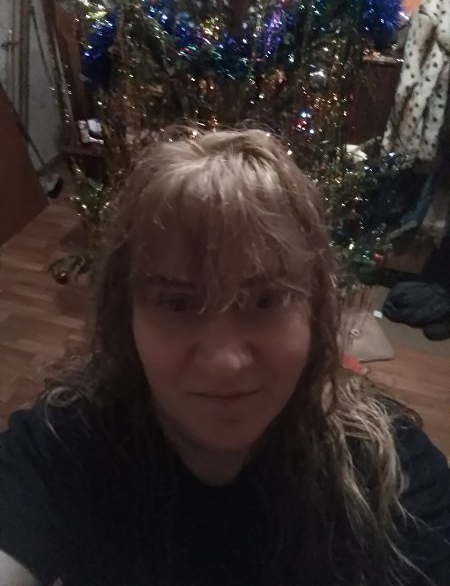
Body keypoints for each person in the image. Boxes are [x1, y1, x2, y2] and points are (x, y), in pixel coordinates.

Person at [0, 129, 449, 586]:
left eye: (266, 300)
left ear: (316, 310)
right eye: (177, 304)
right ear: (125, 314)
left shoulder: (394, 475)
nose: (224, 363)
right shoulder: (61, 448)